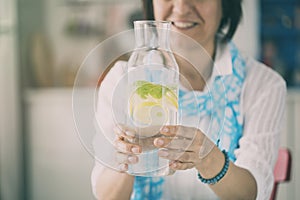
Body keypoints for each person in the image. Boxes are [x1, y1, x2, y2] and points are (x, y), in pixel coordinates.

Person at [91, 0, 287, 199]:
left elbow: (251, 194)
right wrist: (129, 156)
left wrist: (209, 159)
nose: (181, 8)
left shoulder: (263, 84)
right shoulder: (122, 79)